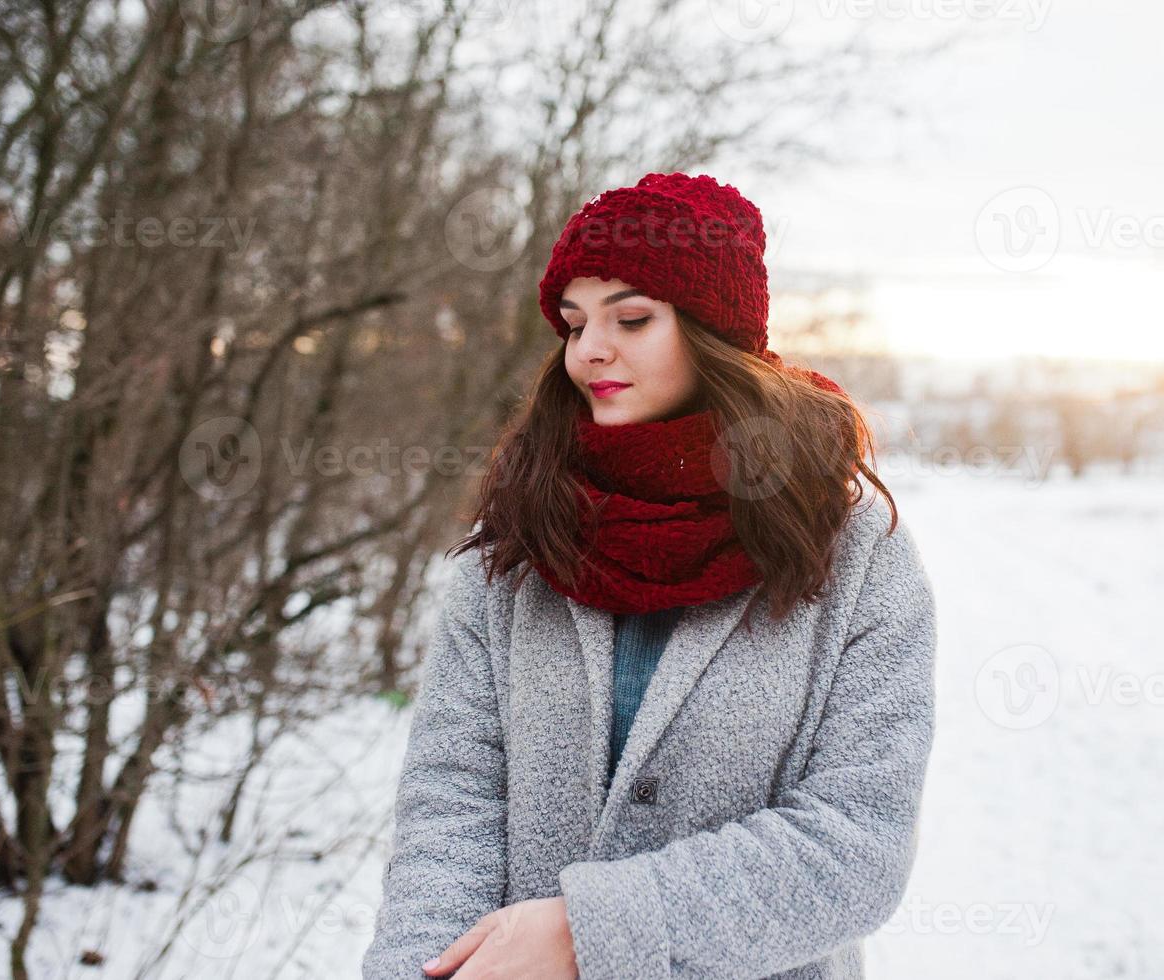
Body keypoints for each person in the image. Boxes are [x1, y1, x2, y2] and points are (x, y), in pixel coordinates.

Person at [362, 171, 937, 979]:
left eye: (630, 317)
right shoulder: (519, 540)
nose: (588, 349)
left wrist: (588, 933)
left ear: (713, 334)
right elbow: (452, 802)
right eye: (572, 324)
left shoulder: (849, 551)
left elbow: (856, 842)